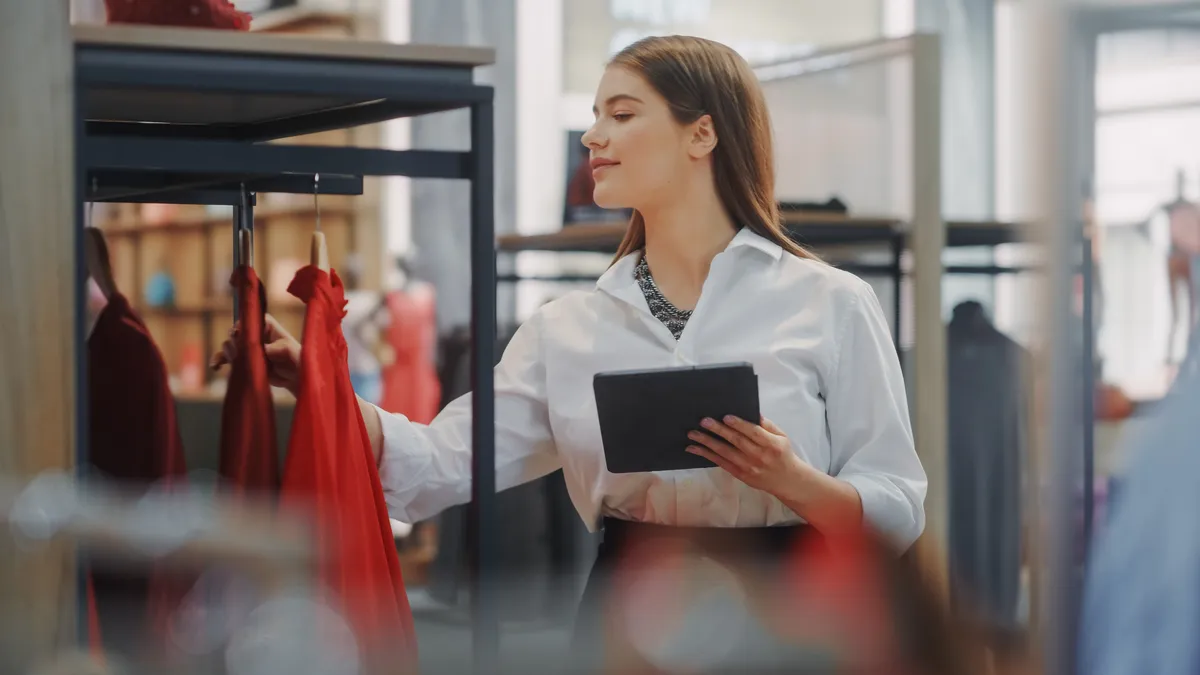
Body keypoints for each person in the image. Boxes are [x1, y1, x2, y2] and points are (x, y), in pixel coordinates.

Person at [212, 34, 926, 663]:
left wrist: (797, 481)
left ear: (701, 134)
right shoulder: (567, 328)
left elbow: (899, 505)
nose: (591, 137)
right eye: (592, 117)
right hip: (625, 612)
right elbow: (438, 464)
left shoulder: (829, 302)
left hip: (791, 612)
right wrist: (321, 384)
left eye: (620, 114)